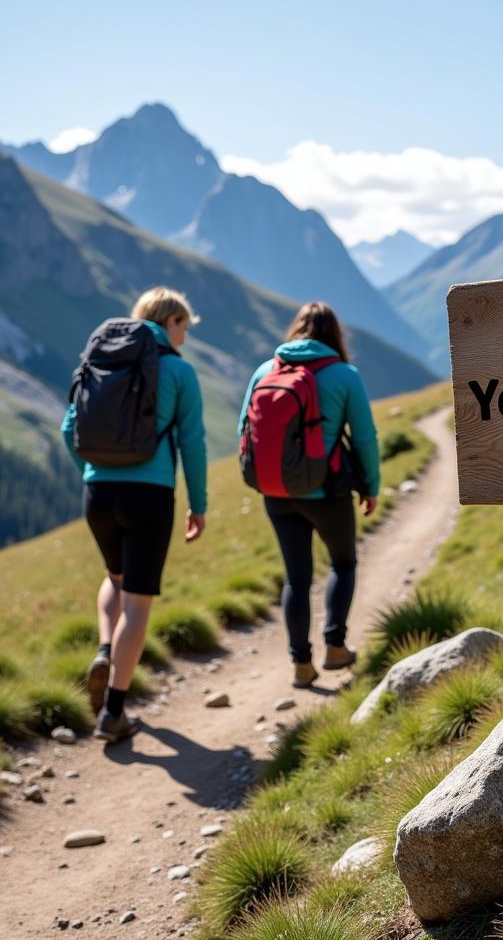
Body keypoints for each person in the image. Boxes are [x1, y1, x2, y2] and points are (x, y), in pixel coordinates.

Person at [61, 287, 207, 742]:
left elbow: (69, 428)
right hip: (150, 495)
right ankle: (114, 713)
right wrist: (197, 504)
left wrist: (92, 471)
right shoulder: (179, 371)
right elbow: (193, 444)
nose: (185, 336)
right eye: (184, 326)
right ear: (169, 323)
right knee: (139, 602)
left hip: (98, 492)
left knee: (115, 576)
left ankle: (106, 649)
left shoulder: (102, 361)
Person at [240, 302, 381, 689]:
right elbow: (365, 437)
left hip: (276, 492)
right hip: (327, 490)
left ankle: (301, 665)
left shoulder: (264, 371)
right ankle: (335, 647)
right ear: (334, 334)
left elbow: (244, 431)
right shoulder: (344, 375)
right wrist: (370, 486)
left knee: (296, 578)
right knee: (342, 564)